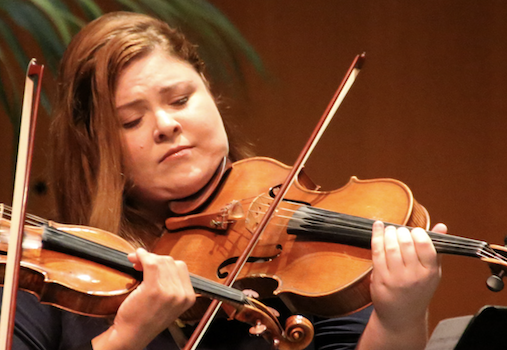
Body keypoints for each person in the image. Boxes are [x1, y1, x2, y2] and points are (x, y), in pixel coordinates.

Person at [2, 11, 446, 350]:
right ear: (95, 148)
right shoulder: (50, 278)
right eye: (131, 120)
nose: (165, 125)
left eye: (180, 99)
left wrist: (399, 318)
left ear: (209, 94)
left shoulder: (285, 246)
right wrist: (127, 336)